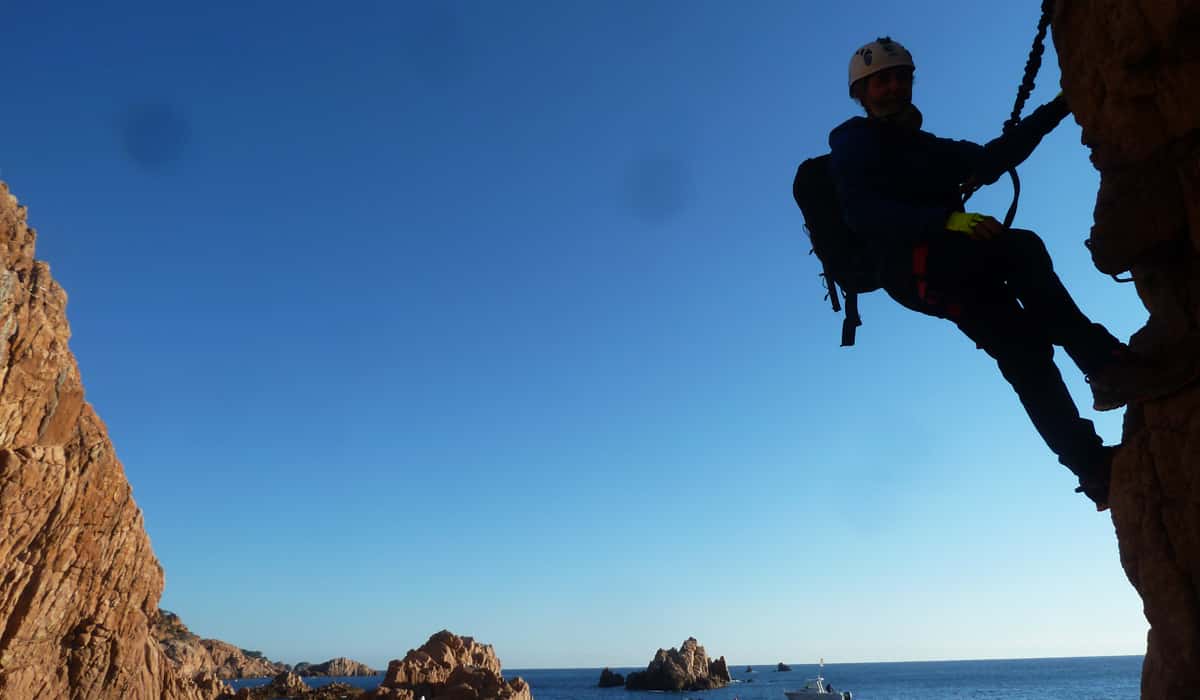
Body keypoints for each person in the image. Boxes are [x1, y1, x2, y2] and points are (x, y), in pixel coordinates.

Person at [827, 37, 1136, 510]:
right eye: (881, 81)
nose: (893, 87)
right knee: (1020, 249)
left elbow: (993, 159)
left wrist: (1059, 107)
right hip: (916, 267)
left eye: (900, 77)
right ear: (862, 94)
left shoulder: (926, 146)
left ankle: (1093, 468)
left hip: (947, 262)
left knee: (1025, 355)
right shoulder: (852, 140)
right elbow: (864, 213)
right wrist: (945, 220)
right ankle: (1102, 364)